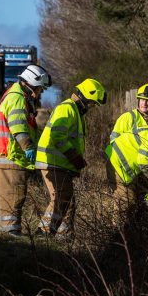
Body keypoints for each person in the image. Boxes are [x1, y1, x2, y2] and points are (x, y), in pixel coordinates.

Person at [35, 78, 107, 239]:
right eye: (92, 103)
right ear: (84, 98)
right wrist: (74, 157)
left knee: (68, 200)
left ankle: (64, 235)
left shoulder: (73, 110)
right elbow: (57, 136)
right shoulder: (67, 109)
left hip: (60, 163)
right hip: (53, 162)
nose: (92, 107)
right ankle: (44, 231)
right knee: (62, 197)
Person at [0, 65, 51, 237]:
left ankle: (9, 233)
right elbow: (18, 125)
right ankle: (10, 235)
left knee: (12, 198)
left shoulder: (17, 96)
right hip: (10, 156)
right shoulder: (17, 98)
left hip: (10, 156)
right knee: (13, 197)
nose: (39, 93)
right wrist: (28, 147)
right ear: (31, 83)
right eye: (39, 89)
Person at [107, 82, 148, 188]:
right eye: (142, 100)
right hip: (122, 168)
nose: (145, 103)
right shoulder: (127, 118)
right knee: (126, 202)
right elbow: (113, 144)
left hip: (145, 169)